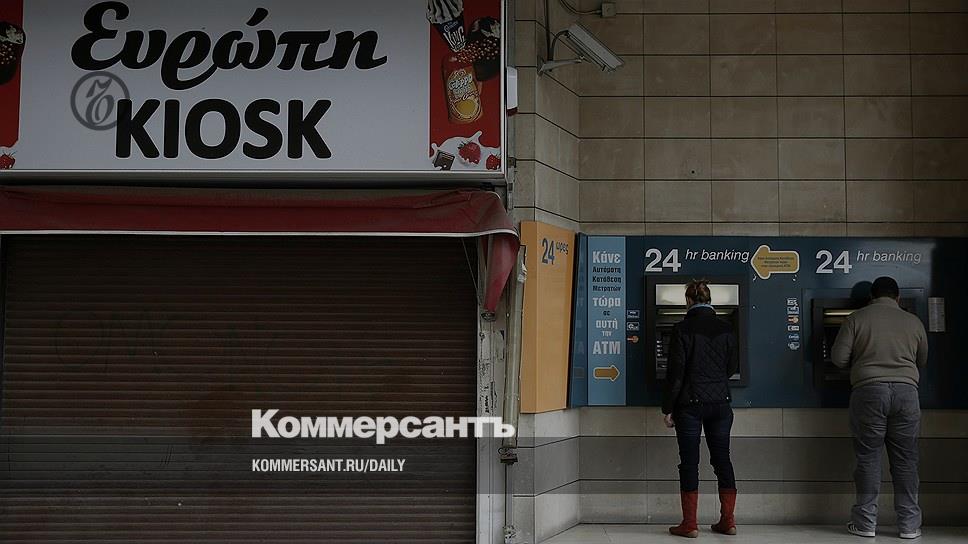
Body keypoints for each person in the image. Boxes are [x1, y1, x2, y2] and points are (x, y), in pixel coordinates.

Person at [832, 276, 928, 540]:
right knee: (906, 460)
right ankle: (909, 525)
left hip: (869, 391)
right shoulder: (914, 322)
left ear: (871, 297)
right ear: (898, 297)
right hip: (907, 394)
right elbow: (922, 359)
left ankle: (865, 523)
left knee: (868, 457)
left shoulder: (856, 319)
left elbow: (838, 359)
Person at [662, 280, 739, 538]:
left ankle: (690, 524)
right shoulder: (726, 328)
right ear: (710, 299)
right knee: (722, 460)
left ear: (688, 300)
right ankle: (728, 521)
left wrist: (668, 408)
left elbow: (676, 374)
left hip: (690, 405)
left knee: (689, 463)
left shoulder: (681, 329)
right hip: (720, 404)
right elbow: (731, 367)